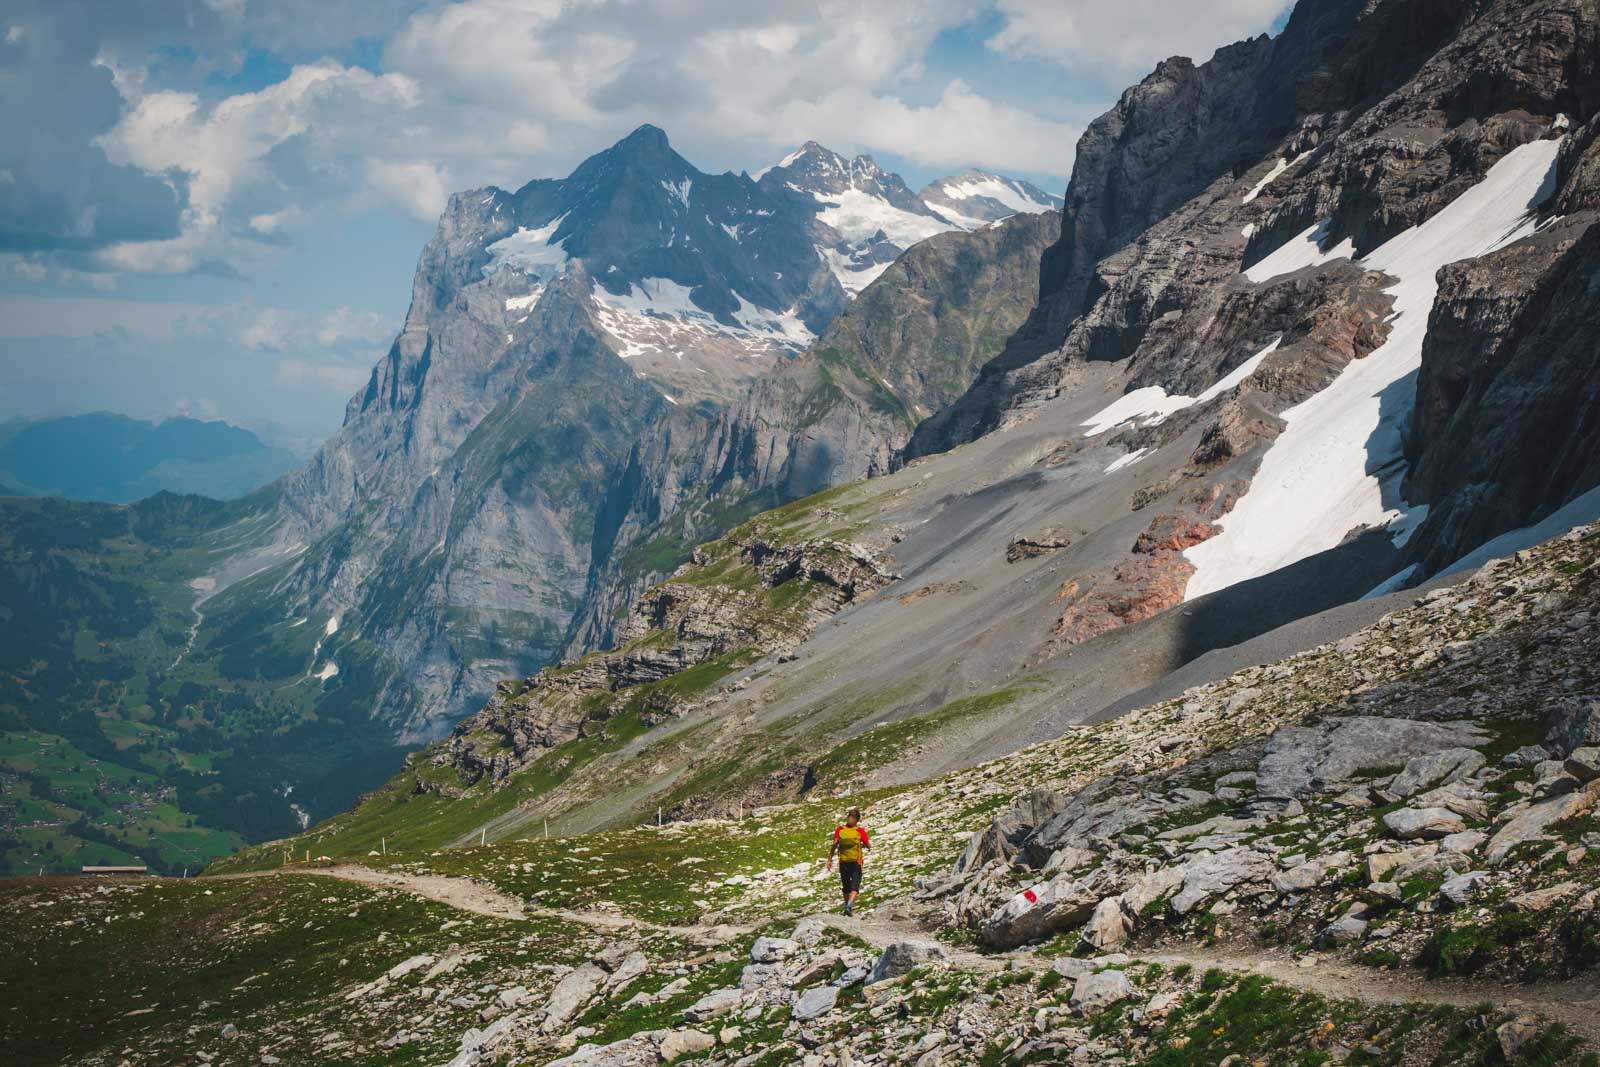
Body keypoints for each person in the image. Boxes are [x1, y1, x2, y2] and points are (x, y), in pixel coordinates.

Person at [826, 806, 870, 916]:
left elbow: (834, 844)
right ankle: (849, 906)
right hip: (856, 862)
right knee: (855, 886)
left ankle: (847, 908)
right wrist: (862, 846)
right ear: (857, 820)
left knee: (846, 886)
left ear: (848, 817)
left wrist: (829, 859)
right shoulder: (859, 831)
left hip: (843, 862)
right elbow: (868, 845)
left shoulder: (840, 829)